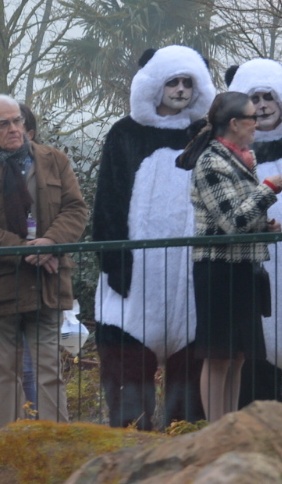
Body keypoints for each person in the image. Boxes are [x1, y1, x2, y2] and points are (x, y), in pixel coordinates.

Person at [90, 46, 214, 429]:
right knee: (127, 376)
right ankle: (129, 446)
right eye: (172, 82)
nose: (180, 89)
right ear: (154, 84)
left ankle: (184, 443)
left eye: (187, 82)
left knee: (191, 380)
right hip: (134, 278)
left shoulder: (205, 136)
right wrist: (113, 264)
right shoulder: (125, 134)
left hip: (190, 279)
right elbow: (108, 202)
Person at [0, 95, 90, 428]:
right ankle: (9, 449)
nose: (14, 129)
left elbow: (76, 209)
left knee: (49, 369)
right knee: (3, 372)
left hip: (48, 282)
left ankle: (56, 446)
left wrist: (50, 243)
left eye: (17, 120)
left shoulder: (54, 160)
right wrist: (26, 250)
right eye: (4, 124)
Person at [186, 91, 280, 421]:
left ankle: (231, 426)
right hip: (217, 271)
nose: (258, 123)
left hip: (243, 268)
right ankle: (216, 431)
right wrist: (268, 189)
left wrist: (263, 227)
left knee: (238, 356)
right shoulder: (211, 162)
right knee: (218, 357)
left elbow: (241, 217)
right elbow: (232, 222)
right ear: (235, 123)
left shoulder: (241, 157)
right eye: (252, 118)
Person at [224, 59, 282, 402]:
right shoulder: (232, 151)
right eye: (254, 98)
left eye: (268, 97)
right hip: (254, 269)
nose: (261, 105)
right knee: (256, 366)